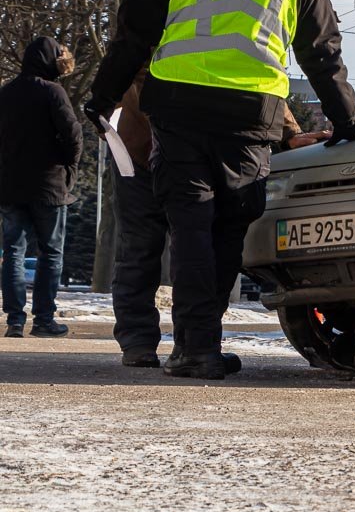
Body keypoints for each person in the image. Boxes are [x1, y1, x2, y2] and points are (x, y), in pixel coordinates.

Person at [86, 0, 355, 379]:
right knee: (227, 231)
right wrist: (347, 122)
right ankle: (201, 343)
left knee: (191, 225)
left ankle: (196, 347)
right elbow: (323, 54)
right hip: (252, 116)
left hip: (179, 108)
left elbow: (131, 35)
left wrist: (102, 96)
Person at [111, 68, 330, 369]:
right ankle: (139, 341)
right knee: (142, 245)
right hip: (145, 150)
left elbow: (261, 79)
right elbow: (132, 68)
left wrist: (290, 132)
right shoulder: (161, 28)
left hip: (194, 151)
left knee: (202, 246)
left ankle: (195, 342)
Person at [0, 37, 83, 338]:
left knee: (13, 252)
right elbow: (74, 135)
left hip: (10, 186)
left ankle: (14, 321)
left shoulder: (6, 93)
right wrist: (69, 170)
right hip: (48, 185)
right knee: (50, 252)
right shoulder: (53, 92)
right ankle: (44, 320)